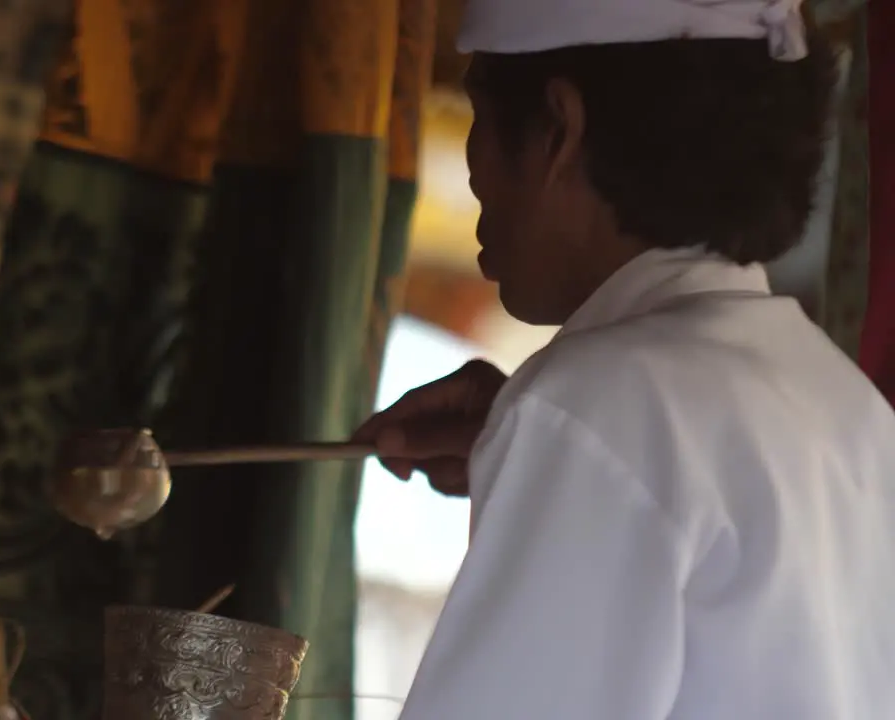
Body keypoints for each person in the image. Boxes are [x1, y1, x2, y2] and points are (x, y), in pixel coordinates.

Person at [353, 1, 895, 717]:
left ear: (558, 127)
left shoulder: (592, 404)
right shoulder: (851, 409)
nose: (472, 166)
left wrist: (563, 431)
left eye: (476, 115)